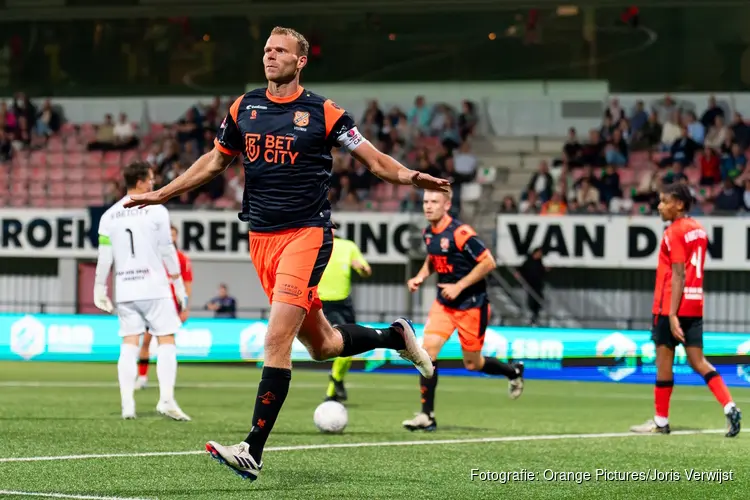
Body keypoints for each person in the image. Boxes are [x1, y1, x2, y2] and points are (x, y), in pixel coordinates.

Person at [124, 26, 449, 481]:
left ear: (301, 61)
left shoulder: (325, 112)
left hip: (307, 235)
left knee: (275, 340)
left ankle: (252, 449)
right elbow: (215, 161)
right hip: (261, 239)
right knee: (324, 346)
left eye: (280, 50)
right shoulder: (244, 107)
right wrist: (163, 193)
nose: (270, 56)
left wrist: (415, 177)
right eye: (266, 50)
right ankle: (395, 336)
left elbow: (374, 160)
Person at [401, 188, 524, 432]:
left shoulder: (461, 233)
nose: (428, 206)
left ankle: (513, 371)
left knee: (473, 364)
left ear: (447, 205)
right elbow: (433, 258)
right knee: (426, 354)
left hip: (471, 306)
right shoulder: (428, 233)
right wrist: (421, 276)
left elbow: (488, 261)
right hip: (444, 306)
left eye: (434, 201)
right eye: (425, 201)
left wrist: (459, 286)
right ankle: (427, 415)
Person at [630, 183, 741, 437]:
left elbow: (678, 273)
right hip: (695, 304)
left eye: (663, 201)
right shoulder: (699, 230)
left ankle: (660, 422)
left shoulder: (674, 232)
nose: (659, 206)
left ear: (679, 204)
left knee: (664, 365)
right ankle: (729, 406)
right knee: (699, 361)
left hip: (670, 305)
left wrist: (671, 315)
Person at [93, 162, 191, 421]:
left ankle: (127, 405)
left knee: (129, 343)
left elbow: (104, 258)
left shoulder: (108, 216)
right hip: (155, 287)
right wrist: (178, 285)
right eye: (150, 179)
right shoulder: (156, 210)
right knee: (167, 339)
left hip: (125, 288)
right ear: (139, 181)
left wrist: (99, 289)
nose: (153, 184)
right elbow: (167, 250)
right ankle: (167, 400)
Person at [318, 220, 372, 402]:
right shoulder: (315, 246)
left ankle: (335, 382)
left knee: (351, 346)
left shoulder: (348, 247)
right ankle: (332, 390)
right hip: (324, 303)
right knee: (341, 343)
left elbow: (366, 271)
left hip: (344, 303)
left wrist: (362, 268)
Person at [135, 224, 193, 390]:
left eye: (174, 235)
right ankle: (142, 377)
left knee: (167, 343)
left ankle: (167, 381)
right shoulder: (153, 257)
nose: (171, 237)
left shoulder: (182, 259)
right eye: (169, 234)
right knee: (145, 341)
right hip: (152, 305)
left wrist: (185, 307)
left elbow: (187, 283)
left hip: (172, 307)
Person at [516, 247, 546, 326]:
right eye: (539, 253)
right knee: (531, 301)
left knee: (538, 301)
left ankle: (535, 317)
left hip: (538, 285)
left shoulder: (539, 262)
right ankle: (530, 318)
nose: (540, 255)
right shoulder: (529, 261)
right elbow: (521, 269)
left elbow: (541, 272)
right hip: (530, 285)